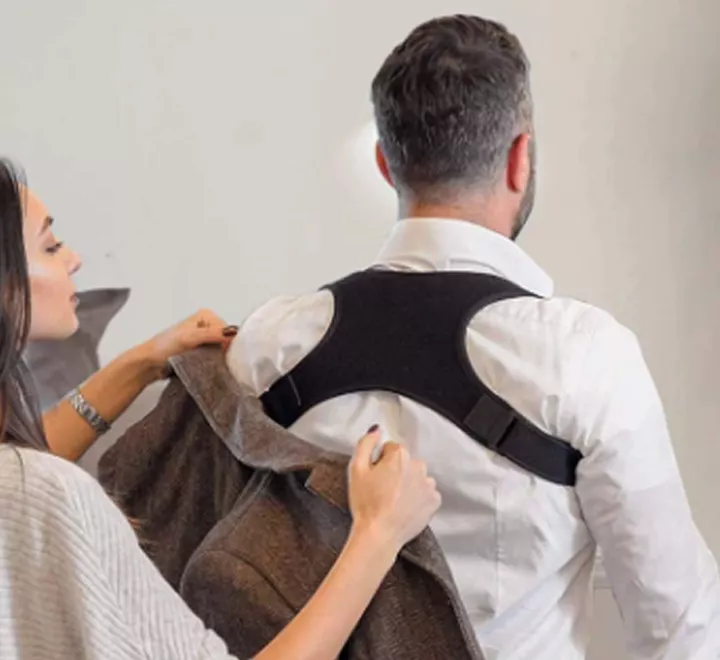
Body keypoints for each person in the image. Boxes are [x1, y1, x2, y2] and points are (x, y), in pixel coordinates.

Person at [228, 14, 720, 660]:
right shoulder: (584, 357)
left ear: (384, 163)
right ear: (521, 159)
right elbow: (679, 627)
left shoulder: (270, 346)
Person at [0, 158, 442, 660]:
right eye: (50, 246)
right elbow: (33, 488)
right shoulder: (53, 495)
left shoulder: (30, 487)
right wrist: (378, 533)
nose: (75, 259)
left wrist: (141, 363)